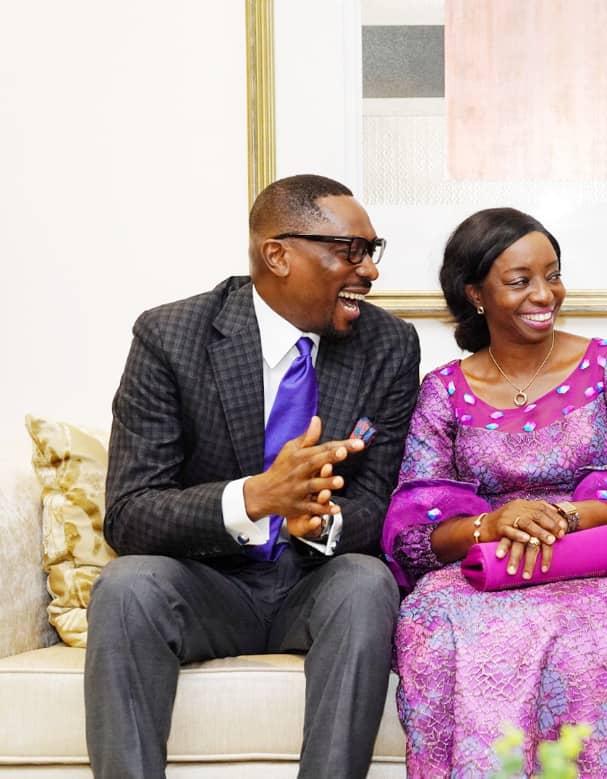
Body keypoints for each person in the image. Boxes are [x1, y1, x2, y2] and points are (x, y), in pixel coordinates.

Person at [85, 174, 420, 777]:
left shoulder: (389, 345)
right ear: (277, 254)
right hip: (205, 583)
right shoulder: (170, 336)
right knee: (127, 585)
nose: (369, 271)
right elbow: (130, 512)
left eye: (373, 252)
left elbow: (379, 501)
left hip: (313, 582)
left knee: (367, 583)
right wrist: (258, 497)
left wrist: (316, 519)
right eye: (351, 251)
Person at [382, 207, 607, 778]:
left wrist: (570, 514)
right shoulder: (444, 391)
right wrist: (497, 521)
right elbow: (415, 535)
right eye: (520, 281)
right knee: (429, 613)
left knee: (580, 625)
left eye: (553, 274)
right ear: (475, 294)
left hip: (599, 565)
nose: (545, 293)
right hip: (487, 568)